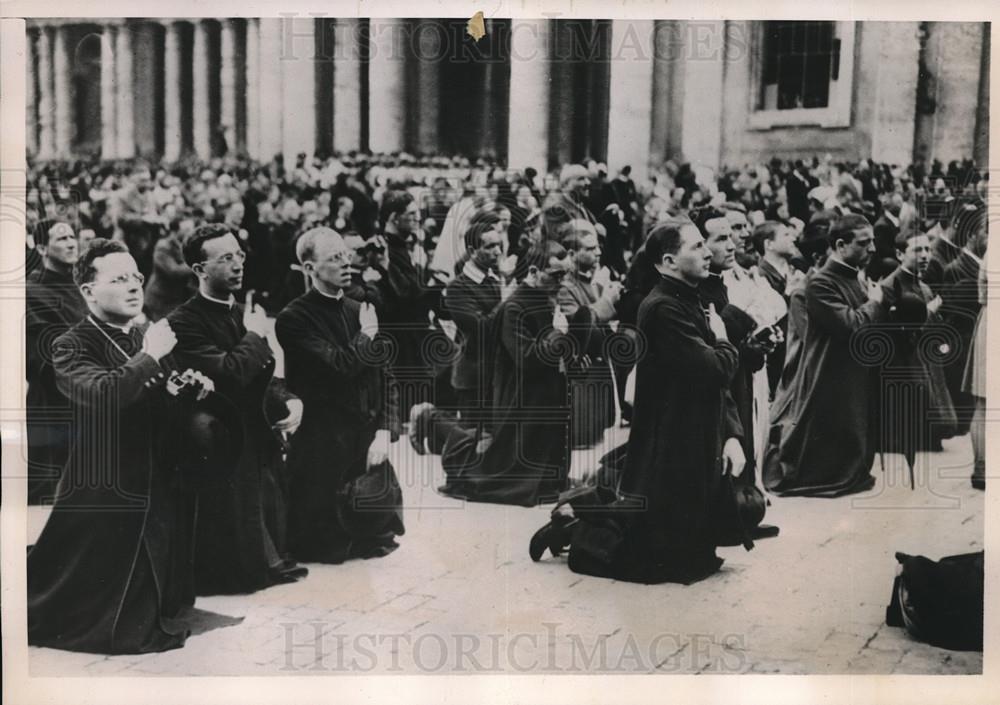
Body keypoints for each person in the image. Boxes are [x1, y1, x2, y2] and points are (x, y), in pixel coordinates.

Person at [531, 222, 746, 584]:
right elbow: (713, 369)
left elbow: (714, 381)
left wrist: (731, 433)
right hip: (671, 440)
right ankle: (576, 526)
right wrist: (725, 342)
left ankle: (585, 515)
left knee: (692, 550)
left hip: (694, 432)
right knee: (648, 558)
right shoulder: (663, 307)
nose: (708, 252)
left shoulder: (689, 298)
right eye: (697, 247)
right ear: (668, 261)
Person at [28, 239, 215, 654]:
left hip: (152, 476)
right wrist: (150, 358)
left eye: (135, 276)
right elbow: (104, 396)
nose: (134, 286)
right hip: (102, 484)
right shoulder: (71, 344)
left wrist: (188, 391)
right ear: (88, 292)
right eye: (118, 279)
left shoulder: (146, 336)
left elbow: (157, 402)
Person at [169, 224, 308, 594]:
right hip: (220, 441)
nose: (237, 265)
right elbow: (229, 374)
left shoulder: (235, 311)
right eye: (225, 258)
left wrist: (287, 398)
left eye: (239, 255)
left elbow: (260, 375)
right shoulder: (184, 321)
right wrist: (255, 334)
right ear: (200, 270)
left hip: (251, 430)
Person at [412, 241, 576, 506]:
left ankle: (546, 481)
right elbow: (526, 358)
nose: (562, 281)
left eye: (565, 274)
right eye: (556, 275)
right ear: (533, 272)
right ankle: (432, 419)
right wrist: (557, 333)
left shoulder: (546, 299)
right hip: (519, 396)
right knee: (499, 469)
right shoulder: (515, 307)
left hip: (543, 393)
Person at [275, 227, 404, 563]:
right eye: (335, 258)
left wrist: (386, 431)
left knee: (371, 523)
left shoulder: (358, 307)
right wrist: (365, 336)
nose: (347, 263)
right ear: (309, 268)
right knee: (324, 540)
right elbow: (339, 366)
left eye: (347, 255)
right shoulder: (293, 319)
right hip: (323, 445)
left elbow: (385, 374)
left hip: (362, 437)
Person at [763, 214, 888, 497]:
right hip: (830, 373)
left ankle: (850, 472)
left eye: (872, 242)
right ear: (841, 245)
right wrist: (875, 303)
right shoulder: (820, 284)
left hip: (850, 370)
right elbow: (852, 326)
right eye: (864, 243)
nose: (872, 250)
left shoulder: (850, 275)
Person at [877, 230, 956, 462]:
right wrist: (927, 313)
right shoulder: (889, 286)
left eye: (928, 249)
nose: (925, 255)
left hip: (924, 358)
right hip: (904, 361)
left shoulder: (923, 285)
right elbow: (894, 332)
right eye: (917, 250)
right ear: (900, 254)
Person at [25, 220, 88, 504]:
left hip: (89, 400)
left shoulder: (84, 288)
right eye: (61, 238)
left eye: (72, 236)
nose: (71, 242)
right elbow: (40, 358)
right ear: (41, 248)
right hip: (54, 407)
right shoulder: (31, 291)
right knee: (51, 496)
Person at [558, 220, 621, 448]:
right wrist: (605, 303)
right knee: (581, 442)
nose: (598, 252)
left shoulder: (592, 282)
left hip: (598, 369)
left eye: (597, 247)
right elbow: (578, 325)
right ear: (572, 253)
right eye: (590, 248)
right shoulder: (565, 286)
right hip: (581, 374)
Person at [441, 212, 507, 419]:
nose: (497, 252)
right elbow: (482, 328)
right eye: (490, 247)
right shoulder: (457, 288)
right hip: (474, 379)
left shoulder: (495, 279)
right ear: (472, 251)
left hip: (498, 375)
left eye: (499, 245)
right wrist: (508, 301)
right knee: (473, 438)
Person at [144, 215, 197, 321]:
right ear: (175, 231)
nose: (191, 232)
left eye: (192, 229)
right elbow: (173, 271)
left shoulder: (185, 245)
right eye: (187, 229)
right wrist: (195, 264)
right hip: (161, 299)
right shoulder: (163, 247)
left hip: (175, 297)